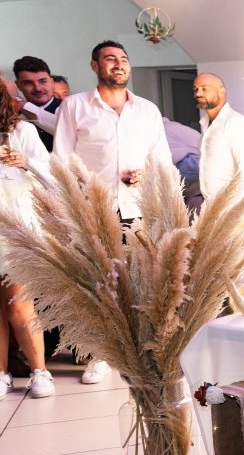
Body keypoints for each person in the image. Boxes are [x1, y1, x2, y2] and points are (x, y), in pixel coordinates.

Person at [54, 40, 174, 385]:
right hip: (94, 211)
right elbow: (61, 161)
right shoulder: (75, 107)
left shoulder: (147, 110)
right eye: (110, 59)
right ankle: (98, 355)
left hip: (137, 208)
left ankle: (142, 349)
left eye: (123, 59)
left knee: (140, 280)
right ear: (95, 66)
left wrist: (146, 175)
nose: (119, 64)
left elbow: (162, 160)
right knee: (99, 283)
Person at [0, 78, 56, 398]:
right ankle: (2, 374)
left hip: (15, 228)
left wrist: (25, 162)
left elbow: (53, 179)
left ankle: (39, 371)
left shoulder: (23, 132)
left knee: (18, 303)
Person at [193, 73, 244, 208]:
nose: (198, 93)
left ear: (221, 92)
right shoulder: (206, 124)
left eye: (204, 88)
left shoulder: (236, 123)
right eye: (196, 89)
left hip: (234, 208)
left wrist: (241, 210)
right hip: (211, 207)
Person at [12, 56, 61, 152]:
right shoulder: (10, 114)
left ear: (52, 82)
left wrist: (22, 105)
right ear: (18, 85)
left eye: (42, 81)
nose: (37, 88)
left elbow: (65, 131)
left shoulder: (68, 108)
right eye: (28, 83)